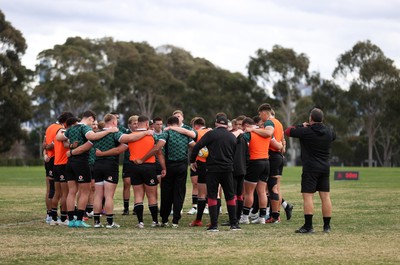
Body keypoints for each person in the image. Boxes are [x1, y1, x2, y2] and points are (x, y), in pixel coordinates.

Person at [56, 110, 119, 228]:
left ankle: (70, 221)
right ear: (90, 118)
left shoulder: (72, 128)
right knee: (85, 192)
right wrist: (110, 130)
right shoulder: (85, 128)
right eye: (93, 121)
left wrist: (70, 146)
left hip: (70, 163)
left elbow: (59, 136)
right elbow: (92, 137)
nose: (93, 124)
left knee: (71, 192)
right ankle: (79, 220)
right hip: (81, 163)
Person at [135, 115, 195, 228]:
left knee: (166, 192)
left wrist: (143, 159)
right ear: (178, 124)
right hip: (182, 166)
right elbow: (194, 147)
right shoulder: (185, 134)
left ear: (168, 125)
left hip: (169, 166)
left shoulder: (167, 133)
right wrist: (193, 160)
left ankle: (164, 219)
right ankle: (176, 220)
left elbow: (158, 148)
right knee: (179, 192)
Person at [285, 107, 336, 233]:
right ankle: (327, 227)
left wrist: (300, 125)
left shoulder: (306, 131)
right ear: (322, 119)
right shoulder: (329, 131)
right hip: (325, 167)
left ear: (310, 119)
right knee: (325, 197)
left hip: (310, 168)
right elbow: (333, 136)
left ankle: (308, 226)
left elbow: (288, 131)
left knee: (308, 197)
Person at [190, 115, 241, 232]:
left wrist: (192, 161)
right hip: (228, 169)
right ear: (226, 124)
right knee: (230, 195)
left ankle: (214, 225)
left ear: (216, 123)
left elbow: (197, 146)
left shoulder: (211, 134)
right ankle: (234, 224)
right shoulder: (232, 136)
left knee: (212, 196)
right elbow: (234, 152)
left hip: (212, 169)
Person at [125, 115, 166, 228]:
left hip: (134, 166)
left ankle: (140, 222)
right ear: (147, 124)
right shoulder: (152, 136)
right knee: (151, 195)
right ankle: (154, 221)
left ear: (137, 124)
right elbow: (159, 153)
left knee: (138, 194)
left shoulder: (130, 136)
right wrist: (164, 167)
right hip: (149, 167)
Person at [48, 112, 75, 226]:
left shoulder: (57, 131)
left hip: (56, 164)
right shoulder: (63, 131)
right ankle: (64, 219)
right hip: (64, 164)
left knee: (57, 193)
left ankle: (53, 218)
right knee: (66, 193)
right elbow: (65, 145)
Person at [189, 117, 211, 227]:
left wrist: (192, 161)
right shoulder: (213, 131)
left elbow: (196, 148)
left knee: (202, 193)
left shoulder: (197, 133)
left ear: (196, 126)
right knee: (214, 193)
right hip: (216, 164)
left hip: (202, 164)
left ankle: (198, 220)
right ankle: (213, 220)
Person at [122, 115, 139, 215]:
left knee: (137, 186)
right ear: (130, 125)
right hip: (128, 162)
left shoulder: (142, 134)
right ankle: (126, 208)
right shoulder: (126, 134)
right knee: (127, 184)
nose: (136, 125)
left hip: (138, 162)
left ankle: (136, 207)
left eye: (137, 123)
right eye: (134, 123)